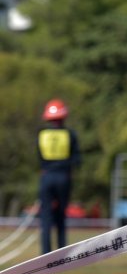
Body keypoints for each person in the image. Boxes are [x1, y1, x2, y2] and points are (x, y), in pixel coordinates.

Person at [37, 99, 82, 254]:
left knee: (46, 218)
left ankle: (45, 255)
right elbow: (77, 159)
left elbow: (39, 158)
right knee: (61, 217)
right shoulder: (70, 134)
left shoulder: (42, 134)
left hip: (47, 177)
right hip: (63, 177)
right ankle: (62, 254)